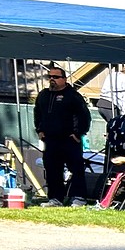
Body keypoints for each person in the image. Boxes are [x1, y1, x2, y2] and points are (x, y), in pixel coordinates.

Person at [34, 65, 92, 207]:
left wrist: (78, 133)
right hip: (50, 139)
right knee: (52, 170)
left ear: (64, 79)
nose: (52, 80)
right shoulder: (43, 95)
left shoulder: (72, 96)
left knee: (76, 169)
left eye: (56, 77)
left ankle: (78, 197)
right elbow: (37, 113)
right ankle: (56, 198)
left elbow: (84, 116)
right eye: (50, 77)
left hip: (69, 139)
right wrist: (39, 130)